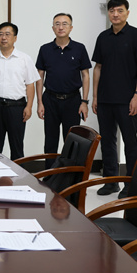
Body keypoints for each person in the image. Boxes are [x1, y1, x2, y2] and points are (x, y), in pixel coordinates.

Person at [92, 0, 137, 196]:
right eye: (112, 11)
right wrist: (95, 97)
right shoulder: (103, 37)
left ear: (127, 13)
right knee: (107, 141)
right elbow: (98, 68)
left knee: (130, 143)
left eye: (120, 10)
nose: (115, 14)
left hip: (127, 99)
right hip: (105, 99)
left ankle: (131, 184)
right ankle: (111, 181)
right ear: (108, 13)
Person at [34, 13, 92, 166]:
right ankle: (49, 175)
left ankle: (69, 177)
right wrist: (39, 102)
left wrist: (84, 102)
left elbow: (85, 75)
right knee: (50, 141)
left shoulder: (79, 48)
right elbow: (39, 76)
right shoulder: (45, 49)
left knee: (73, 142)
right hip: (50, 100)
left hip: (73, 100)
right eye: (57, 24)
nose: (61, 27)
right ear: (53, 28)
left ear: (71, 28)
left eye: (65, 24)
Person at [0, 22, 39, 160]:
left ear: (15, 38)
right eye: (0, 34)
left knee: (17, 147)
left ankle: (18, 174)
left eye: (7, 34)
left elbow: (30, 84)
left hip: (17, 107)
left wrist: (29, 106)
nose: (3, 37)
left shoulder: (24, 59)